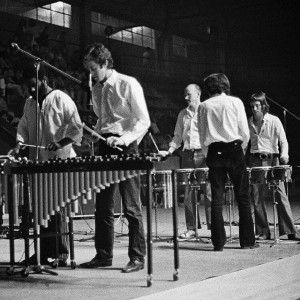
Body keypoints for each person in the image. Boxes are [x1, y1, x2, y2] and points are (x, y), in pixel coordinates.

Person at [80, 43, 150, 273]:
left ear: (105, 64)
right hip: (105, 146)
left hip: (126, 148)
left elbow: (143, 121)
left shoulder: (128, 83)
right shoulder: (97, 88)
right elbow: (103, 120)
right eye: (89, 70)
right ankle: (103, 255)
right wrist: (94, 135)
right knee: (103, 206)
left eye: (93, 69)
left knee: (131, 206)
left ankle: (137, 258)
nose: (91, 74)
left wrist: (124, 139)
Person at [8, 63, 83, 266]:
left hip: (60, 161)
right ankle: (42, 252)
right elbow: (23, 127)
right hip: (38, 163)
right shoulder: (30, 104)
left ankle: (61, 252)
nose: (31, 90)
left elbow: (77, 128)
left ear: (44, 80)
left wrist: (60, 143)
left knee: (57, 208)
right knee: (41, 210)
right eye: (27, 86)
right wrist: (19, 144)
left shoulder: (60, 98)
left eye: (34, 85)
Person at [198, 73, 257, 251]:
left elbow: (202, 135)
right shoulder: (235, 102)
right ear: (225, 85)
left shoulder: (203, 106)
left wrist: (209, 153)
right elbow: (244, 131)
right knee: (243, 196)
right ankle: (247, 241)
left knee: (217, 197)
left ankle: (218, 243)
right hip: (234, 149)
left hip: (215, 151)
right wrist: (242, 149)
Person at [159, 84, 211, 239]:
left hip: (205, 154)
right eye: (185, 94)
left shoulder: (206, 111)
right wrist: (168, 151)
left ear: (198, 94)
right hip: (188, 155)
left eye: (189, 94)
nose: (186, 97)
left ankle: (213, 228)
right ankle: (192, 228)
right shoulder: (183, 114)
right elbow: (177, 137)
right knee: (189, 194)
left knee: (209, 193)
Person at [248, 92, 300, 241]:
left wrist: (285, 155)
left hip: (273, 159)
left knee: (280, 194)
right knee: (257, 196)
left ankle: (290, 230)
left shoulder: (274, 120)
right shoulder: (249, 121)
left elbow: (283, 140)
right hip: (256, 159)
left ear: (263, 106)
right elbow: (245, 142)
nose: (254, 109)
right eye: (252, 106)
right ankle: (263, 231)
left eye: (257, 106)